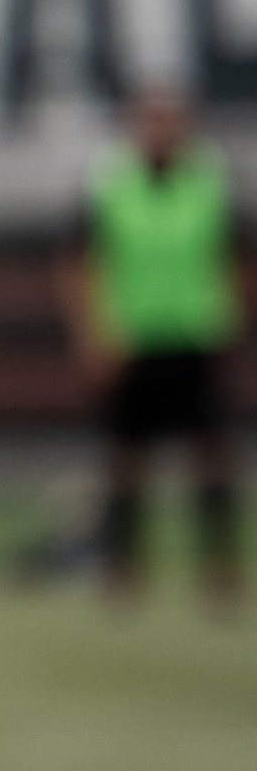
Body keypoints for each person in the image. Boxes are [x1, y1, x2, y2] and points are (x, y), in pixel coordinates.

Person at [69, 85, 243, 610]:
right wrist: (94, 331)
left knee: (211, 456)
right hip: (133, 338)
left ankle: (219, 567)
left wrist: (232, 322)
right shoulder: (112, 185)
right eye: (152, 121)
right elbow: (84, 263)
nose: (162, 131)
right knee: (125, 461)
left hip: (196, 335)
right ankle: (124, 565)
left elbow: (231, 258)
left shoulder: (209, 183)